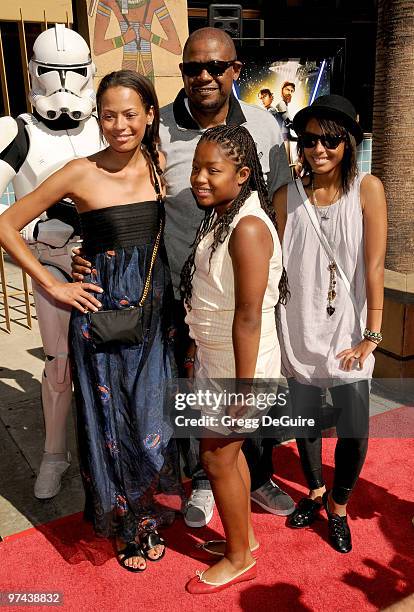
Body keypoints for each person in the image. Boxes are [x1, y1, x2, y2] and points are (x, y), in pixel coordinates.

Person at [72, 27, 294, 528]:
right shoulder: (158, 131)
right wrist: (77, 252)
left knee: (246, 389)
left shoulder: (264, 128)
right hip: (175, 293)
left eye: (216, 67)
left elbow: (279, 205)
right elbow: (107, 191)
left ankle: (257, 476)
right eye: (193, 67)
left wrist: (275, 276)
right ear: (183, 73)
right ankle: (202, 481)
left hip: (243, 295)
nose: (205, 76)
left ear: (235, 70)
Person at [0, 69, 182, 572]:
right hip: (100, 314)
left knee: (151, 417)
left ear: (149, 114)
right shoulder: (78, 171)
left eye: (130, 114)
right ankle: (128, 523)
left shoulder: (157, 161)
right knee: (110, 420)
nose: (119, 125)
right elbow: (6, 224)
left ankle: (145, 509)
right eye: (108, 115)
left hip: (153, 313)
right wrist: (55, 282)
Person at [273, 94, 387, 553]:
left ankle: (339, 507)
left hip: (349, 331)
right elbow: (274, 266)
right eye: (309, 139)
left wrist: (372, 337)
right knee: (305, 419)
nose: (318, 148)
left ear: (349, 142)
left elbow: (375, 267)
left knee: (354, 427)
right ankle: (316, 492)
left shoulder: (368, 189)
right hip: (298, 324)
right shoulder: (286, 197)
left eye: (331, 139)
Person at [0, 25, 103, 500]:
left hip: (105, 260)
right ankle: (55, 454)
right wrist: (28, 227)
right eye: (51, 73)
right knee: (58, 365)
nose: (62, 84)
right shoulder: (16, 132)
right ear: (33, 73)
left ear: (90, 73)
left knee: (113, 361)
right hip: (50, 264)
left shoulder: (109, 124)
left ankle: (108, 446)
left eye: (74, 73)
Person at [182, 124, 286, 593]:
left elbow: (248, 316)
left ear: (243, 174)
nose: (200, 177)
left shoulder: (246, 227)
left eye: (213, 169)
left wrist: (244, 391)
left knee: (217, 458)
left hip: (241, 368)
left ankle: (239, 556)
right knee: (230, 457)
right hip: (219, 359)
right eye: (196, 167)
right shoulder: (225, 214)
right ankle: (241, 540)